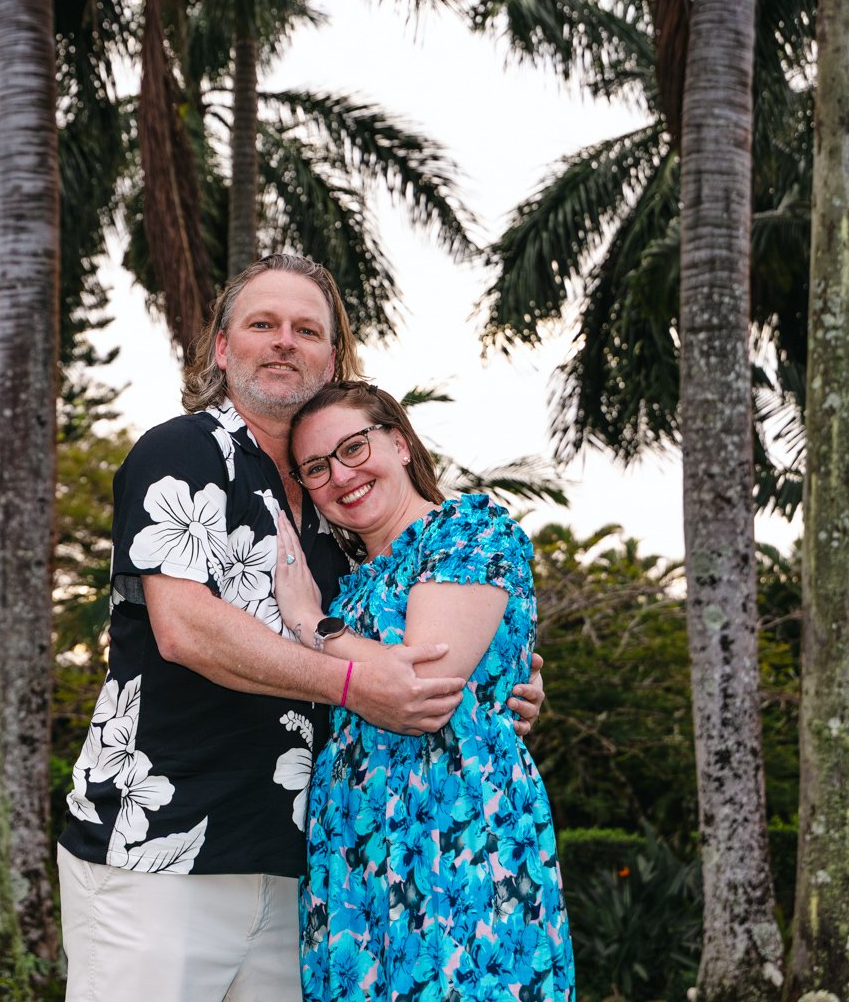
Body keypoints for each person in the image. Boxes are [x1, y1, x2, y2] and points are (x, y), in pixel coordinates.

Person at [56, 254, 543, 1002]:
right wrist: (361, 684)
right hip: (162, 850)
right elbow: (184, 628)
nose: (284, 341)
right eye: (262, 324)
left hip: (310, 861)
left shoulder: (335, 506)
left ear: (332, 357)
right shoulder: (182, 452)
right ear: (223, 348)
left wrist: (499, 681)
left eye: (305, 329)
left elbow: (415, 627)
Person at [274, 381, 575, 1001]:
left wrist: (311, 624)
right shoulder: (351, 584)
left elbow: (423, 686)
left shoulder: (469, 529)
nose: (340, 475)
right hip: (354, 841)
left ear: (401, 444)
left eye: (354, 448)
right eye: (316, 467)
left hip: (456, 826)